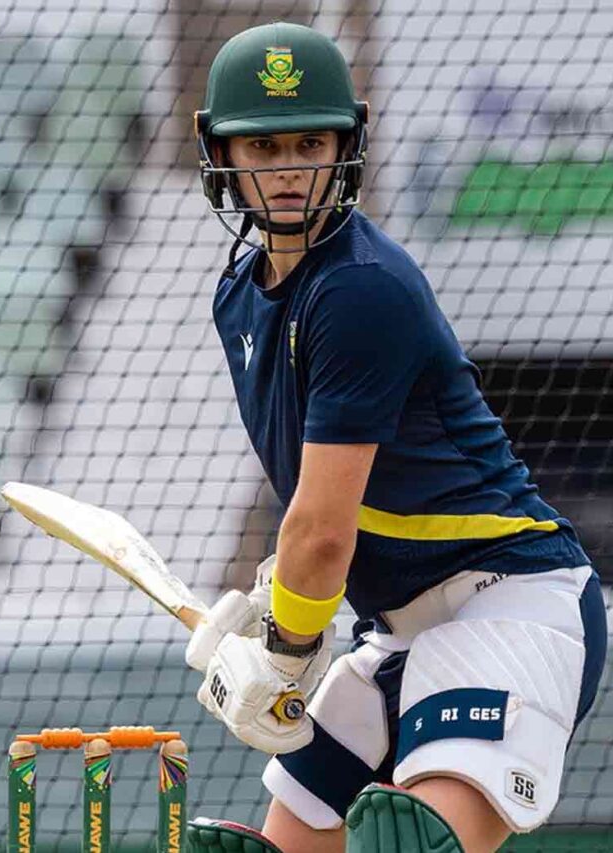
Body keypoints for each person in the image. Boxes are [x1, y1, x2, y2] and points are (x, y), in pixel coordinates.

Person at [184, 21, 608, 853]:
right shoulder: (238, 294)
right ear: (220, 152)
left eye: (310, 140)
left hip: (510, 604)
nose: (290, 169)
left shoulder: (360, 289)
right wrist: (283, 605)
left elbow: (322, 527)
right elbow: (320, 502)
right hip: (396, 635)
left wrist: (289, 649)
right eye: (262, 147)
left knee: (410, 842)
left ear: (349, 139)